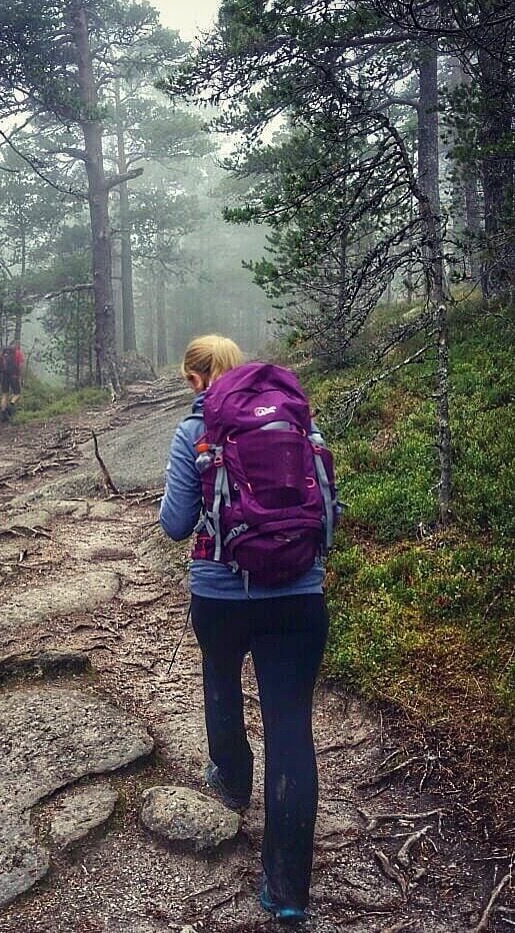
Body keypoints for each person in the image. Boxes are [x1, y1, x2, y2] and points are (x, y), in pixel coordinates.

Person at [159, 334, 331, 925]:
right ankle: (286, 892)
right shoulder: (302, 425)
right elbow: (328, 507)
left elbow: (176, 524)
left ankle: (232, 782)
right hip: (300, 596)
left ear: (194, 381)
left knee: (222, 683)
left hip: (222, 596)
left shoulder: (193, 434)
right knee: (291, 730)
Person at [0, 342, 24, 422]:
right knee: (17, 394)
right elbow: (21, 366)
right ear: (17, 346)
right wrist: (20, 376)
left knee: (4, 394)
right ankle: (11, 404)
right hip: (13, 376)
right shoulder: (18, 353)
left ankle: (3, 414)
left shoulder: (4, 353)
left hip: (4, 375)